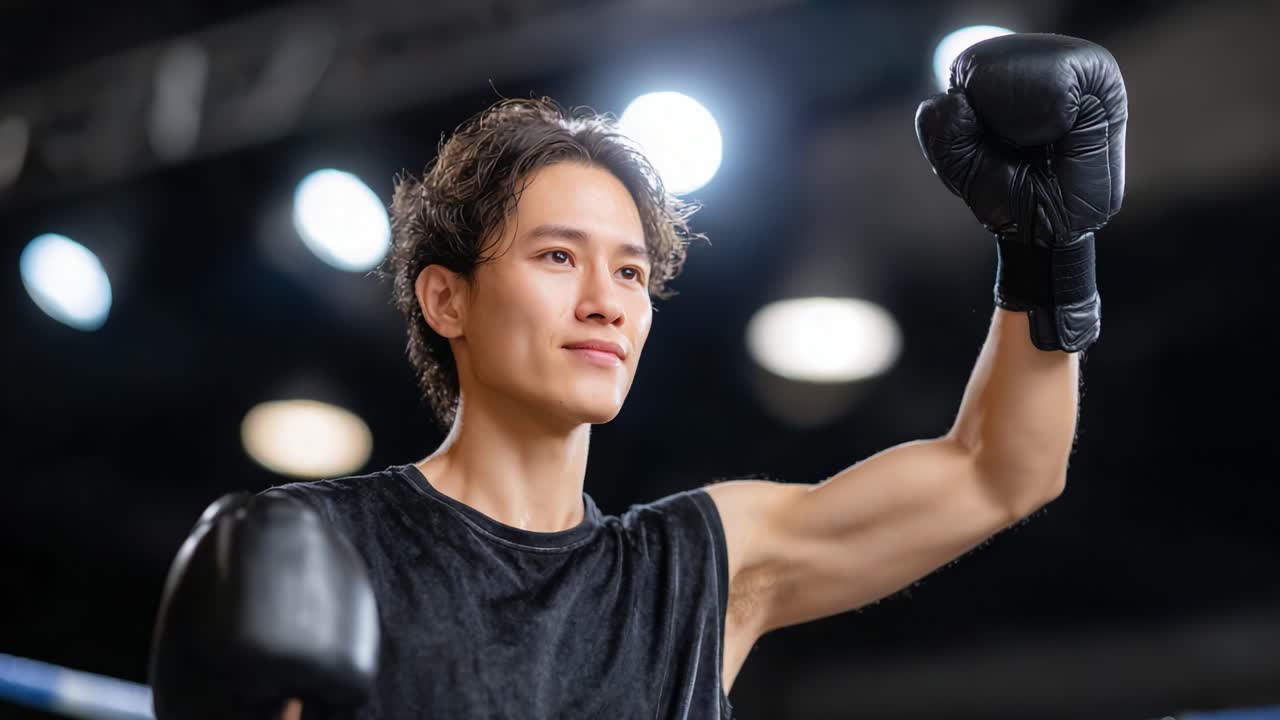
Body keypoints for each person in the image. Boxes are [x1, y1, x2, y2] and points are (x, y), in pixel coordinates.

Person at [148, 32, 1127, 719]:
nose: (607, 301)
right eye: (556, 257)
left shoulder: (698, 568)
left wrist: (1047, 251)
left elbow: (1001, 470)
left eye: (628, 270)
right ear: (445, 301)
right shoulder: (315, 550)